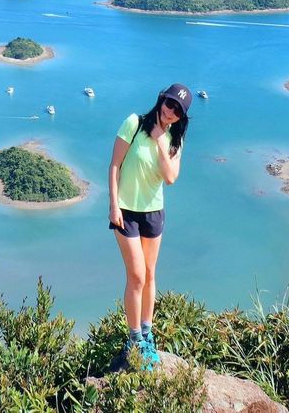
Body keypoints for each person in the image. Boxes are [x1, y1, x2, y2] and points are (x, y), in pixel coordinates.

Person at [108, 83, 192, 370]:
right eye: (170, 104)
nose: (171, 111)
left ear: (182, 117)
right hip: (126, 212)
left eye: (178, 110)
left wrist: (159, 140)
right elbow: (115, 165)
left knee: (150, 274)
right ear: (161, 100)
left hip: (154, 213)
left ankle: (146, 333)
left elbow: (170, 178)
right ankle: (134, 339)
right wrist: (113, 204)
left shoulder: (174, 142)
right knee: (137, 275)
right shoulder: (133, 123)